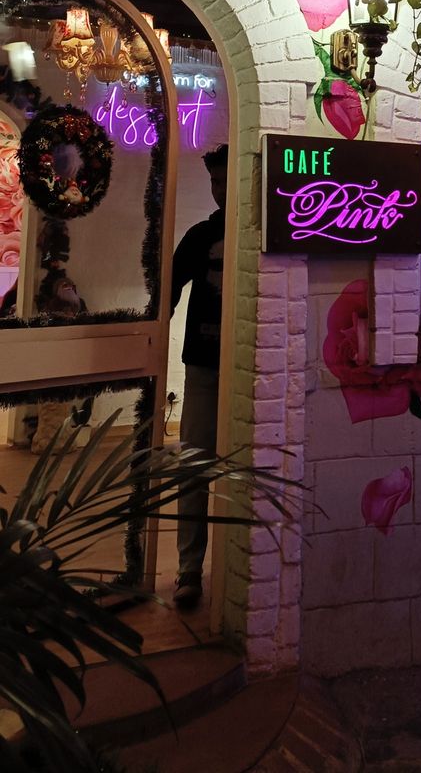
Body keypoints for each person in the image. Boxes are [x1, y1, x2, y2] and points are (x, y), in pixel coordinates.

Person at [170, 143, 227, 608]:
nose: (220, 190)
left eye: (226, 180)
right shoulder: (198, 236)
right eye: (214, 182)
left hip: (250, 369)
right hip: (204, 367)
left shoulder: (264, 230)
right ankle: (189, 570)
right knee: (193, 467)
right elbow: (167, 290)